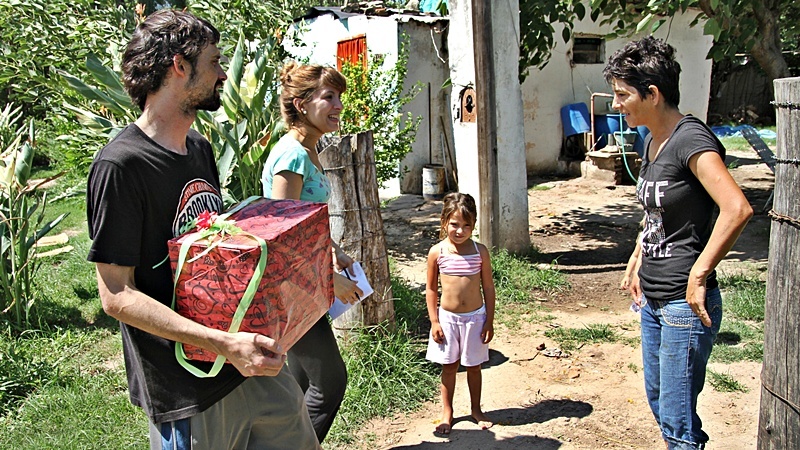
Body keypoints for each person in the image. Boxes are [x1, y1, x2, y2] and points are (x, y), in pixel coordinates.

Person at [86, 10, 319, 449]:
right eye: (213, 61)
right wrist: (222, 342)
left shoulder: (198, 147)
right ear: (179, 66)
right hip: (187, 388)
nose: (221, 73)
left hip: (249, 364)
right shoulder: (120, 166)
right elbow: (116, 296)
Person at [604, 36, 753, 449]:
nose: (616, 104)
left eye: (622, 95)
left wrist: (700, 274)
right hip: (652, 298)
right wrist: (637, 256)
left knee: (677, 421)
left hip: (683, 305)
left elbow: (737, 209)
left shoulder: (691, 140)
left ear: (653, 94)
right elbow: (657, 211)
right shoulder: (650, 140)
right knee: (662, 406)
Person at [261, 61, 363, 443]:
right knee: (330, 384)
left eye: (339, 96)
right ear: (302, 104)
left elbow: (304, 222)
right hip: (293, 289)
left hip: (306, 283)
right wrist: (329, 279)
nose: (338, 105)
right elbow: (280, 235)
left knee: (299, 385)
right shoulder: (292, 156)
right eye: (329, 97)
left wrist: (335, 251)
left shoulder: (308, 149)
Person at [425, 192, 496, 435]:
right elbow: (431, 288)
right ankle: (447, 412)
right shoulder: (437, 252)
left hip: (475, 319)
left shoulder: (480, 251)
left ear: (474, 224)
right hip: (447, 319)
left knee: (474, 366)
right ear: (444, 222)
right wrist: (434, 321)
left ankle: (476, 409)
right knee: (449, 366)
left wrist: (489, 320)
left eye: (467, 225)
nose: (460, 230)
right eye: (454, 224)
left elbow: (488, 287)